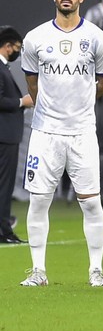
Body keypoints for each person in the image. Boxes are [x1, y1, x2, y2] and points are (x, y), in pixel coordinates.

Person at [18, 0, 103, 287]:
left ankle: (96, 270)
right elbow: (32, 83)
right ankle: (38, 271)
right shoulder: (35, 38)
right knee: (39, 201)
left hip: (83, 133)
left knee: (90, 202)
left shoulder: (96, 38)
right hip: (45, 133)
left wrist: (82, 103)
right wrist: (48, 107)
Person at [0, 26, 34, 244]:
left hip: (6, 134)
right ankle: (4, 230)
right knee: (4, 184)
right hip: (5, 135)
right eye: (17, 48)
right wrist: (23, 102)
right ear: (8, 46)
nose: (17, 53)